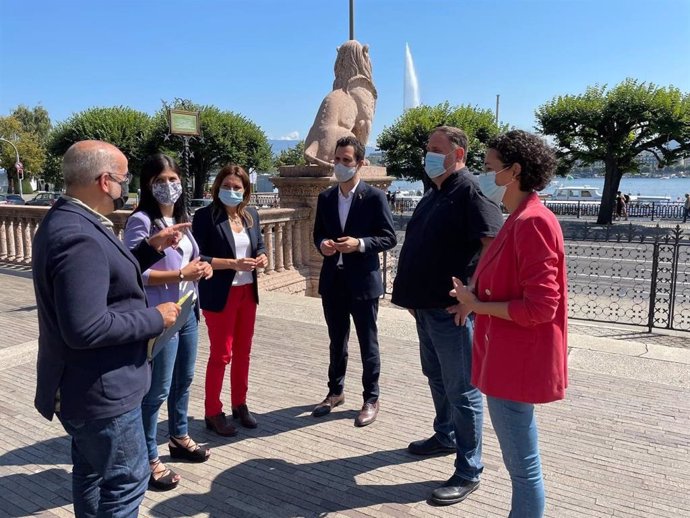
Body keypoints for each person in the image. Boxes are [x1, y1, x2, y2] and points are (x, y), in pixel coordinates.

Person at [32, 140, 187, 517]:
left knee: (89, 474)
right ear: (105, 181)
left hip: (82, 388)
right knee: (126, 481)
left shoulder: (67, 220)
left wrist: (148, 249)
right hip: (102, 391)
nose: (125, 186)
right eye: (122, 179)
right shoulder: (79, 235)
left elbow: (102, 280)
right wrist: (157, 318)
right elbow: (85, 327)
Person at [451, 130, 568, 517]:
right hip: (505, 360)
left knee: (523, 468)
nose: (483, 174)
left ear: (514, 171)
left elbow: (541, 307)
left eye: (489, 167)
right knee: (522, 464)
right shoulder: (520, 217)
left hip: (514, 365)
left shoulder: (532, 221)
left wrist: (477, 305)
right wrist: (473, 298)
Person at [391, 126, 503, 506]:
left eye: (436, 149)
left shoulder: (472, 192)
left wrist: (472, 297)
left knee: (463, 388)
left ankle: (469, 468)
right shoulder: (435, 192)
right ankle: (445, 434)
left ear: (459, 155)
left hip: (451, 312)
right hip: (425, 308)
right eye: (428, 148)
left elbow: (493, 247)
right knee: (436, 376)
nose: (429, 155)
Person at [123, 154, 213, 491]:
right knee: (156, 389)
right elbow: (133, 272)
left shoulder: (181, 218)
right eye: (161, 180)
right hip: (161, 317)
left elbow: (193, 258)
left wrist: (202, 268)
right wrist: (179, 273)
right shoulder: (142, 222)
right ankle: (147, 456)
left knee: (184, 379)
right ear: (148, 184)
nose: (169, 186)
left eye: (174, 179)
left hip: (188, 310)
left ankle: (178, 436)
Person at [311, 136, 396, 427]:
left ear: (360, 163)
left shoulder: (374, 197)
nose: (340, 165)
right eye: (337, 159)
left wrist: (359, 243)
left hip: (363, 283)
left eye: (346, 160)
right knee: (337, 341)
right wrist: (322, 244)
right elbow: (318, 234)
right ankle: (335, 392)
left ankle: (371, 398)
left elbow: (389, 237)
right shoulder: (326, 197)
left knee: (367, 343)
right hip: (333, 281)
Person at [192, 165, 268, 436]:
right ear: (217, 187)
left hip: (248, 293)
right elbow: (198, 257)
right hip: (220, 295)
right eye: (228, 186)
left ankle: (240, 404)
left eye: (238, 187)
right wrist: (233, 264)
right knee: (221, 355)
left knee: (244, 354)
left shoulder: (251, 216)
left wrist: (262, 256)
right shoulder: (205, 217)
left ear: (246, 191)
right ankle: (213, 411)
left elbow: (259, 245)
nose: (232, 191)